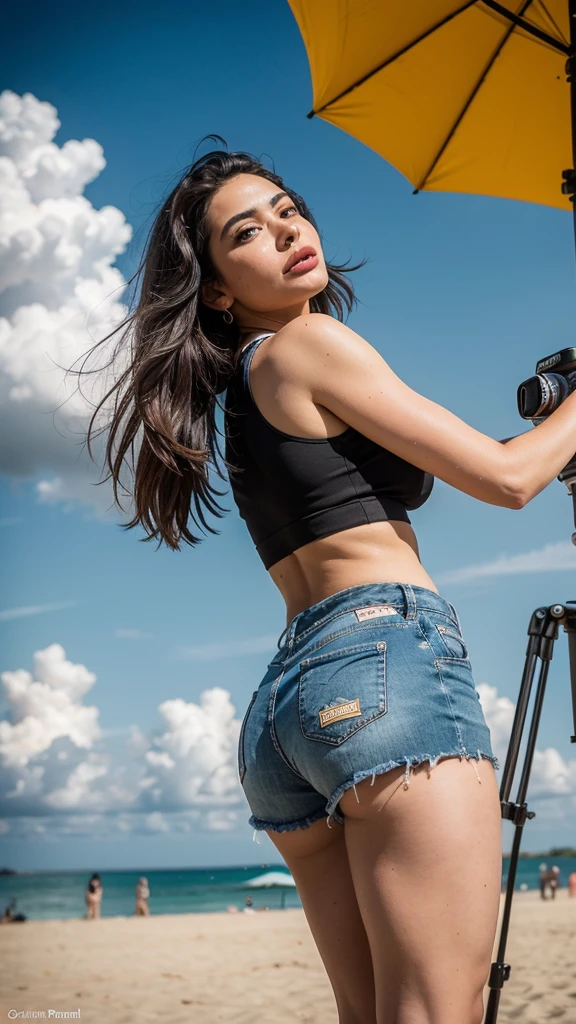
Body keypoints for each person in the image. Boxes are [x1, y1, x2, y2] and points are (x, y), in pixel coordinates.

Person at [73, 140, 576, 1024]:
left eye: (285, 208)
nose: (284, 230)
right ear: (219, 289)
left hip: (286, 711)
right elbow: (509, 478)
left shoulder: (243, 392)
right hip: (385, 658)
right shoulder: (305, 344)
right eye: (247, 232)